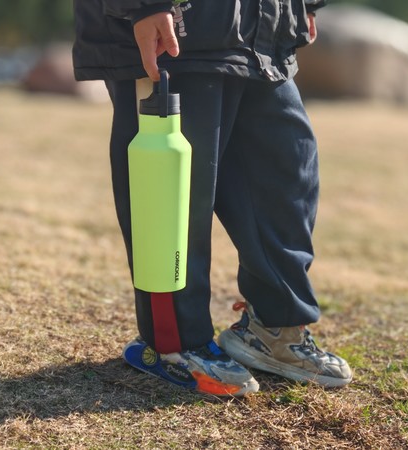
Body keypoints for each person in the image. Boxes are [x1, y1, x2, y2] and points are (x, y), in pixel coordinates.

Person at [73, 0, 352, 396]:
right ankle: (173, 344)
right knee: (174, 194)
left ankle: (275, 328)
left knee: (285, 181)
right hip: (177, 32)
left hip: (264, 33)